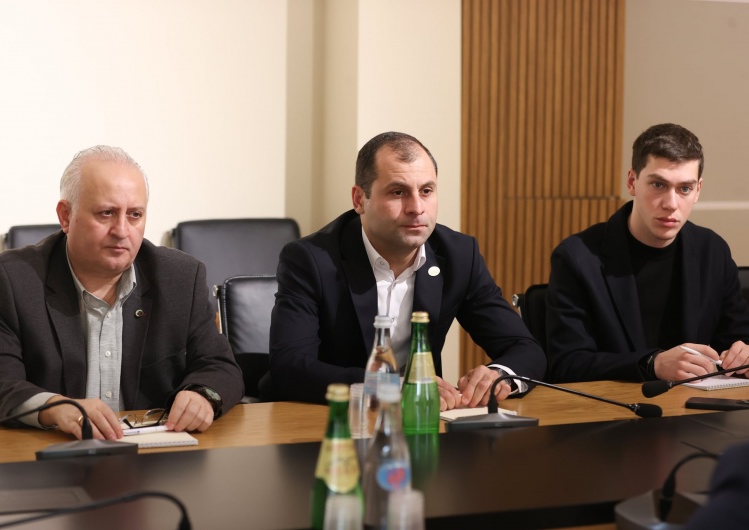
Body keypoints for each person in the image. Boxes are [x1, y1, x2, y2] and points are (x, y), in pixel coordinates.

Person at [0, 146, 244, 440]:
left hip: (155, 454)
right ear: (66, 216)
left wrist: (203, 395)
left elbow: (221, 367)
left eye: (134, 215)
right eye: (106, 213)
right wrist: (54, 407)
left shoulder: (180, 279)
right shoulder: (12, 280)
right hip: (51, 452)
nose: (122, 230)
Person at [267, 131, 546, 408]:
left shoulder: (459, 255)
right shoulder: (311, 260)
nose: (416, 208)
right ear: (359, 199)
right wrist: (388, 387)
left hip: (422, 420)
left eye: (426, 191)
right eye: (398, 192)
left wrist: (499, 375)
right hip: (332, 418)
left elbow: (525, 349)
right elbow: (290, 367)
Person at [546, 123, 749, 383]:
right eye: (658, 185)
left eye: (684, 189)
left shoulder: (713, 251)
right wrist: (651, 364)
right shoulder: (577, 258)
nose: (671, 204)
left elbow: (737, 340)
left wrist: (743, 355)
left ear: (697, 190)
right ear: (632, 182)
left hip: (697, 404)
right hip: (615, 406)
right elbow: (566, 363)